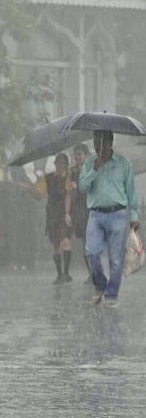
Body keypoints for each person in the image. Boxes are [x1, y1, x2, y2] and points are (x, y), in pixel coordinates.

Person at [78, 130, 139, 306]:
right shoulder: (90, 163)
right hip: (96, 215)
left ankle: (112, 294)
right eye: (96, 144)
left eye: (102, 143)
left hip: (118, 214)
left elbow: (130, 192)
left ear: (110, 143)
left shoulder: (123, 164)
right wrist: (94, 170)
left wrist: (134, 216)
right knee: (92, 254)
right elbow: (82, 186)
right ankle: (100, 285)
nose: (99, 148)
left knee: (116, 258)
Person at [30, 153, 74, 283]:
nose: (59, 166)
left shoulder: (69, 177)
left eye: (62, 164)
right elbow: (39, 195)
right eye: (57, 163)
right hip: (52, 213)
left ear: (66, 165)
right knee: (55, 244)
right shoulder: (48, 178)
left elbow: (68, 195)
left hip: (64, 213)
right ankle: (59, 274)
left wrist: (67, 213)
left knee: (65, 241)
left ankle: (66, 272)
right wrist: (31, 189)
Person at [70, 143, 91, 280]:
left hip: (91, 207)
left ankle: (97, 271)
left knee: (92, 241)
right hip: (80, 209)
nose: (77, 157)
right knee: (85, 242)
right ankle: (91, 273)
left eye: (79, 154)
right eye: (75, 154)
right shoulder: (73, 172)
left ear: (86, 156)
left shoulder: (91, 170)